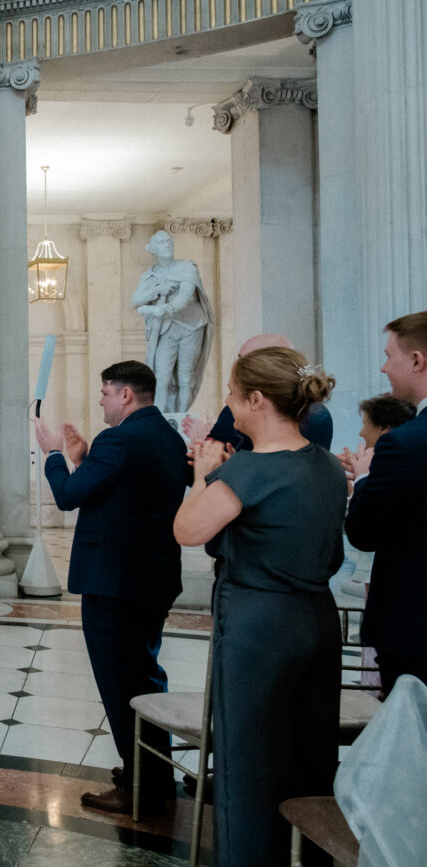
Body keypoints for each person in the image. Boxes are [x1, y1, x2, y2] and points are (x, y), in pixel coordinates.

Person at [173, 347, 346, 867]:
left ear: (256, 399)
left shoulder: (248, 470)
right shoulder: (327, 467)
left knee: (246, 763)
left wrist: (205, 473)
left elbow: (187, 530)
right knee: (311, 754)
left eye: (231, 393)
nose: (228, 404)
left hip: (258, 627)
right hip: (317, 620)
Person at [33, 360, 189, 814]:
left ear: (125, 395)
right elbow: (119, 493)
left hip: (116, 581)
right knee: (144, 674)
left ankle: (142, 783)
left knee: (123, 684)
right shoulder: (167, 436)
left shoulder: (119, 439)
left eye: (105, 392)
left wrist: (56, 455)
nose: (100, 400)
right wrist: (83, 460)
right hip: (151, 576)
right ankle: (151, 769)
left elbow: (69, 495)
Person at [344, 311, 427, 692]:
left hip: (415, 628)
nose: (383, 367)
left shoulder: (404, 443)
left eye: (389, 355)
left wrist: (363, 480)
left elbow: (364, 531)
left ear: (416, 361)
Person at [185, 333, 334, 450]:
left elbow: (206, 473)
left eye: (246, 360)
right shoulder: (321, 413)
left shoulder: (238, 412)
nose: (240, 366)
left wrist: (203, 442)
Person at [130, 230, 213, 412]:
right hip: (166, 328)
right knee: (161, 376)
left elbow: (185, 297)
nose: (167, 245)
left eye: (169, 241)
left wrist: (160, 310)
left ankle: (181, 418)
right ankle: (158, 418)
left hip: (192, 325)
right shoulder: (151, 275)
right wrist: (157, 290)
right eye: (161, 242)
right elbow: (135, 300)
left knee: (185, 377)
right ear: (154, 249)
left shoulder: (187, 268)